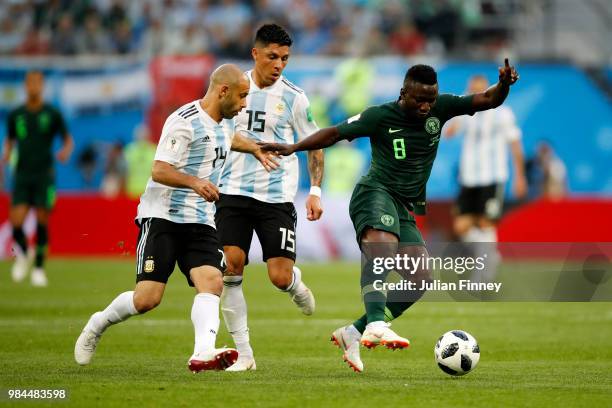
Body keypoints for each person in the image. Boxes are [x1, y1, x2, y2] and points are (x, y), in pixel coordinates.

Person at [261, 60, 520, 372]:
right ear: (403, 93)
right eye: (419, 99)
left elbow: (488, 99)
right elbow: (333, 133)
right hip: (374, 193)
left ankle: (352, 333)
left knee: (420, 277)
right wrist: (293, 148)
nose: (426, 106)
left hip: (402, 204)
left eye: (431, 99)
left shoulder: (442, 108)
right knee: (382, 247)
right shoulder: (379, 115)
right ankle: (374, 324)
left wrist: (503, 84)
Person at [74, 64, 278, 372]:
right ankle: (97, 324)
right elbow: (159, 170)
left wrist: (255, 149)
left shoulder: (224, 121)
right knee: (147, 299)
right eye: (242, 96)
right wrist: (195, 182)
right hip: (163, 217)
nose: (244, 104)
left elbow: (229, 139)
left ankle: (203, 352)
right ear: (223, 91)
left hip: (200, 219)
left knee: (211, 282)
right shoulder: (183, 122)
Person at [216, 23, 324, 372]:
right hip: (231, 191)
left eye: (285, 58)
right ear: (255, 54)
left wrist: (316, 191)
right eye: (273, 56)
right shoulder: (233, 88)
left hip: (275, 196)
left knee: (278, 276)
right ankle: (245, 355)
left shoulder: (295, 97)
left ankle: (294, 284)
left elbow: (315, 144)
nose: (279, 64)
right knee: (230, 267)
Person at [3, 70, 74, 287]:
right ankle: (24, 253)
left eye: (37, 82)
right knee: (16, 222)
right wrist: (6, 155)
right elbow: (10, 140)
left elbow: (67, 139)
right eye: (30, 82)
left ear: (42, 86)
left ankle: (39, 269)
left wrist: (64, 151)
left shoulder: (52, 113)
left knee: (43, 221)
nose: (33, 86)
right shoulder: (16, 114)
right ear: (25, 86)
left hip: (44, 175)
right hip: (22, 175)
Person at [445, 75, 527, 250]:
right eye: (471, 90)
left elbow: (515, 143)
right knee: (461, 226)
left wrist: (520, 176)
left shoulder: (502, 113)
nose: (474, 94)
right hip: (469, 177)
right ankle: (488, 256)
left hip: (493, 175)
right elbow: (450, 132)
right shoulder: (465, 110)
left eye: (478, 90)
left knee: (486, 223)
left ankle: (484, 269)